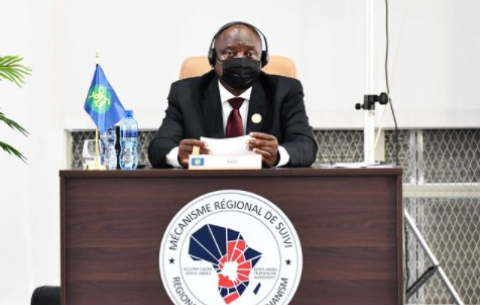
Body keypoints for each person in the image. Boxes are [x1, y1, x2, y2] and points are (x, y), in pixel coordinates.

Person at [148, 21, 318, 168]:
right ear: (213, 58)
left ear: (263, 60)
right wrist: (178, 155)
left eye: (250, 54)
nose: (240, 61)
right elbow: (159, 147)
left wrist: (278, 155)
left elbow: (306, 145)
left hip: (266, 188)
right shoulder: (186, 93)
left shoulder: (284, 91)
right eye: (229, 53)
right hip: (203, 188)